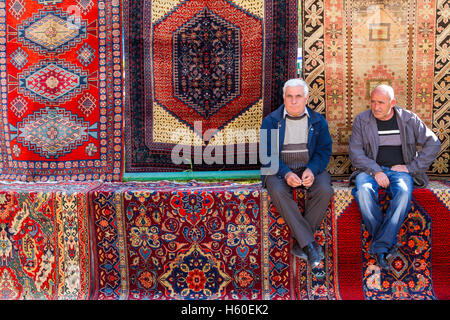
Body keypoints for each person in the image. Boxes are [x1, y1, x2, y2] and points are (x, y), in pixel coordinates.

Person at [349, 84, 441, 270]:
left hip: (400, 171)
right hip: (370, 171)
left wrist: (411, 167)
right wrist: (376, 170)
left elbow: (434, 144)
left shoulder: (408, 119)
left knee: (405, 193)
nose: (376, 107)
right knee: (364, 191)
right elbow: (355, 152)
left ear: (392, 103)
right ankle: (385, 245)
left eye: (381, 102)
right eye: (373, 102)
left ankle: (379, 246)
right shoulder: (362, 120)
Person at [260, 78, 333, 268]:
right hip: (279, 170)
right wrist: (285, 173)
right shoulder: (271, 121)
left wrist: (312, 169)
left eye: (298, 96)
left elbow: (324, 151)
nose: (294, 100)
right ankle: (308, 244)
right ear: (284, 98)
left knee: (325, 188)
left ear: (306, 98)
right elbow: (266, 154)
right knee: (276, 190)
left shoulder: (318, 121)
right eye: (289, 96)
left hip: (308, 167)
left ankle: (302, 243)